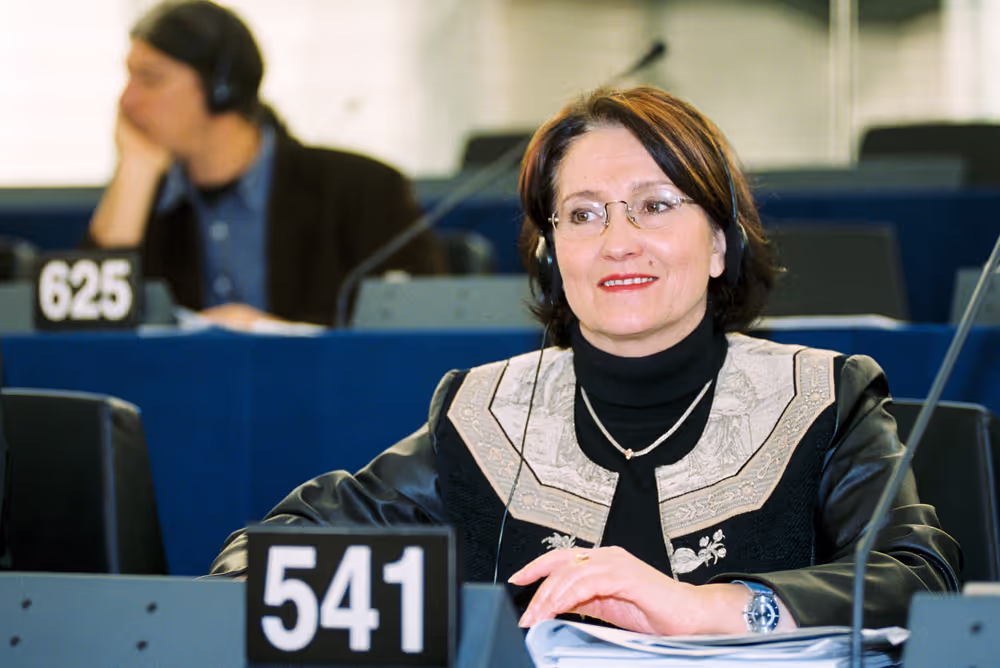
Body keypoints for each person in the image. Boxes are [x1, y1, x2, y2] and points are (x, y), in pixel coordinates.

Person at [210, 86, 960, 634]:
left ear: (720, 243)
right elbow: (284, 544)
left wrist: (705, 607)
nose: (618, 241)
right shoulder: (483, 414)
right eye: (583, 213)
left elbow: (916, 575)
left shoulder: (824, 397)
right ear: (550, 257)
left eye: (655, 205)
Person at [86, 0, 445, 328]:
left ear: (221, 88)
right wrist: (134, 170)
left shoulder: (363, 189)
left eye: (150, 79)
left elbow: (422, 323)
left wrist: (271, 333)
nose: (127, 101)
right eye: (129, 77)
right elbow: (83, 335)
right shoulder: (142, 204)